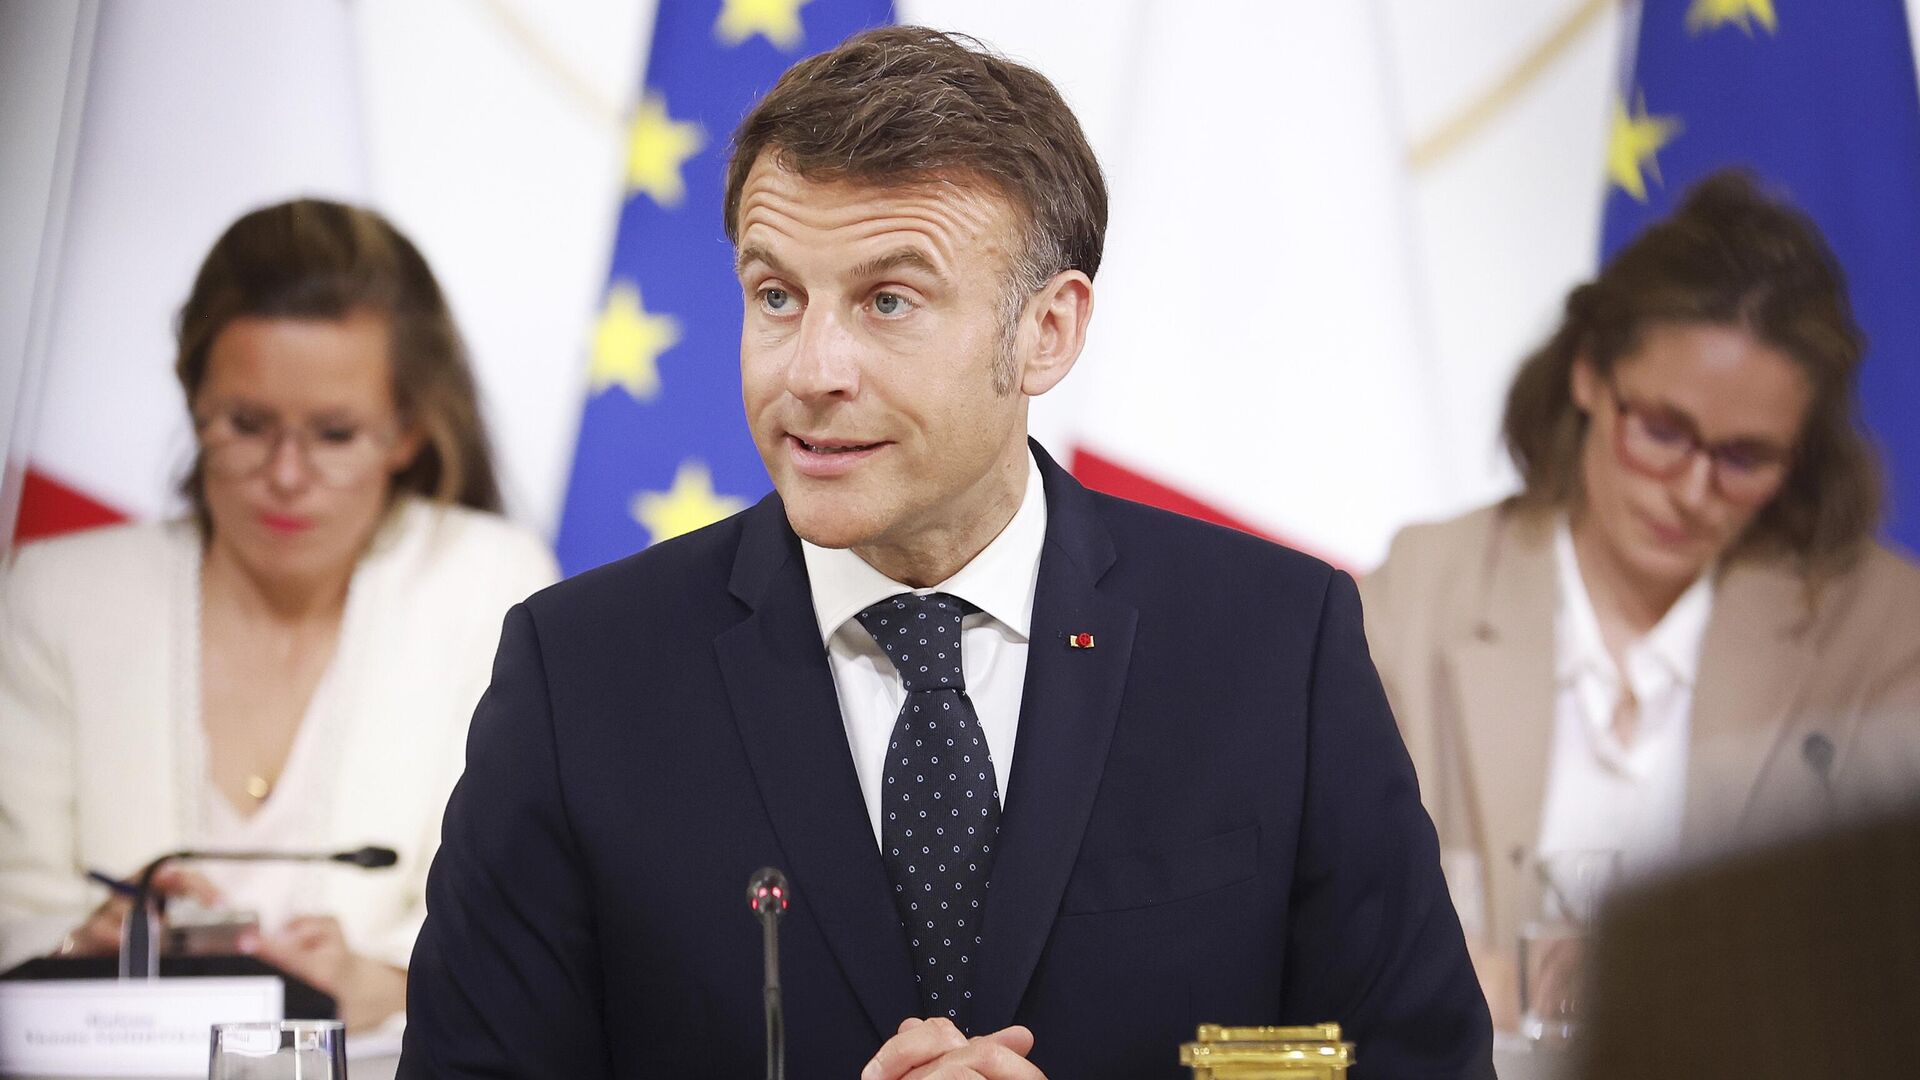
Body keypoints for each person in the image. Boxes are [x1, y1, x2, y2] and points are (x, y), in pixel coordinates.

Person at [400, 26, 1491, 1080]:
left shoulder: (1273, 644)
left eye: (889, 301)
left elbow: (1418, 1064)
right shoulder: (580, 673)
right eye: (776, 296)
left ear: (1047, 333)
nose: (811, 370)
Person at [1360, 171, 1920, 1028]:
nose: (1693, 491)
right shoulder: (1425, 586)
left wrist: (1521, 989)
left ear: (1800, 455)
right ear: (1589, 375)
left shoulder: (1884, 631)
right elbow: (1334, 922)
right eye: (1662, 430)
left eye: (1745, 457)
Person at [0, 199, 559, 1031]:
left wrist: (390, 983)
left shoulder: (488, 583)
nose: (287, 475)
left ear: (408, 430)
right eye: (247, 425)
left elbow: (524, 918)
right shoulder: (57, 593)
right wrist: (79, 947)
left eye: (334, 434)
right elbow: (15, 901)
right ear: (193, 403)